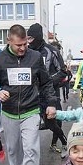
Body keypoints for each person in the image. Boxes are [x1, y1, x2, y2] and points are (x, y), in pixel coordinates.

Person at [0, 24, 58, 165]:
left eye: (25, 44)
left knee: (31, 148)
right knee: (13, 150)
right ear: (9, 41)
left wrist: (51, 103)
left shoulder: (35, 57)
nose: (23, 48)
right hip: (9, 113)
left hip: (30, 110)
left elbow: (46, 83)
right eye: (18, 45)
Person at [27, 23, 68, 157]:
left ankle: (63, 142)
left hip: (50, 93)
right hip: (32, 95)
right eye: (27, 38)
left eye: (31, 38)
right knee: (31, 125)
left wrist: (47, 80)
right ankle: (29, 153)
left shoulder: (51, 51)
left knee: (52, 122)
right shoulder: (26, 51)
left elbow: (63, 72)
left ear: (38, 37)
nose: (28, 41)